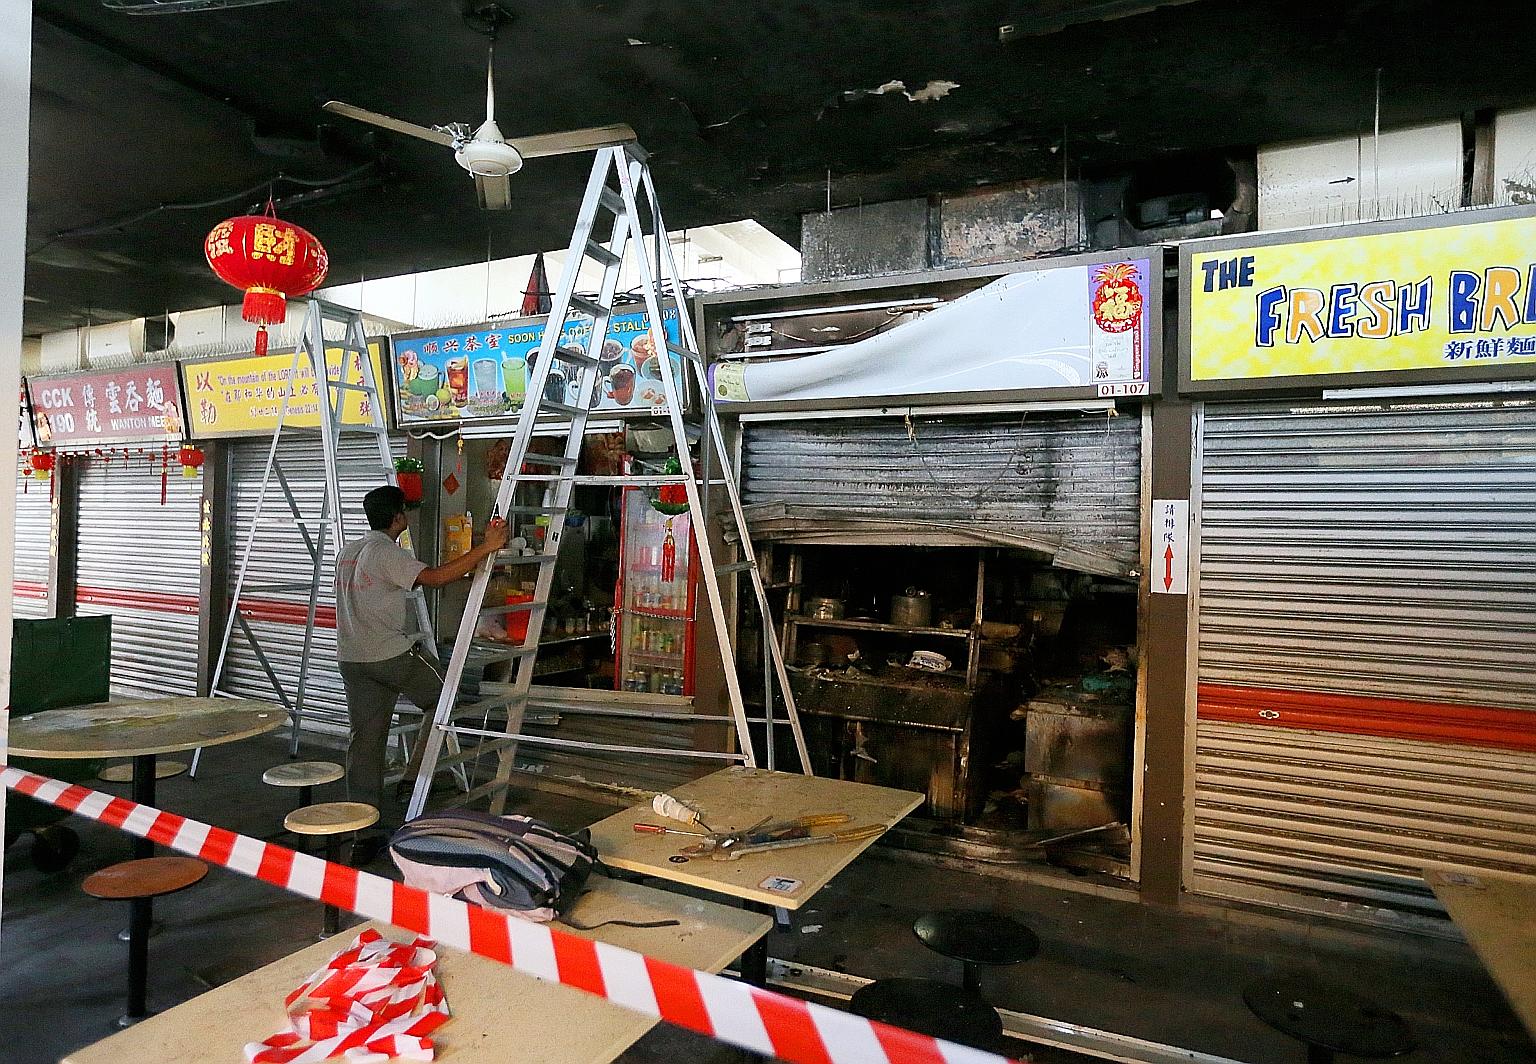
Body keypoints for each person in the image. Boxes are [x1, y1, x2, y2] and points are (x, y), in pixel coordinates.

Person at [335, 485, 509, 824]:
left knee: (365, 743)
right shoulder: (386, 553)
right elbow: (436, 578)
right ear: (398, 516)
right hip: (390, 656)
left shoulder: (349, 552)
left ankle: (361, 826)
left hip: (352, 660)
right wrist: (486, 547)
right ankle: (413, 777)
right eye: (405, 511)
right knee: (444, 698)